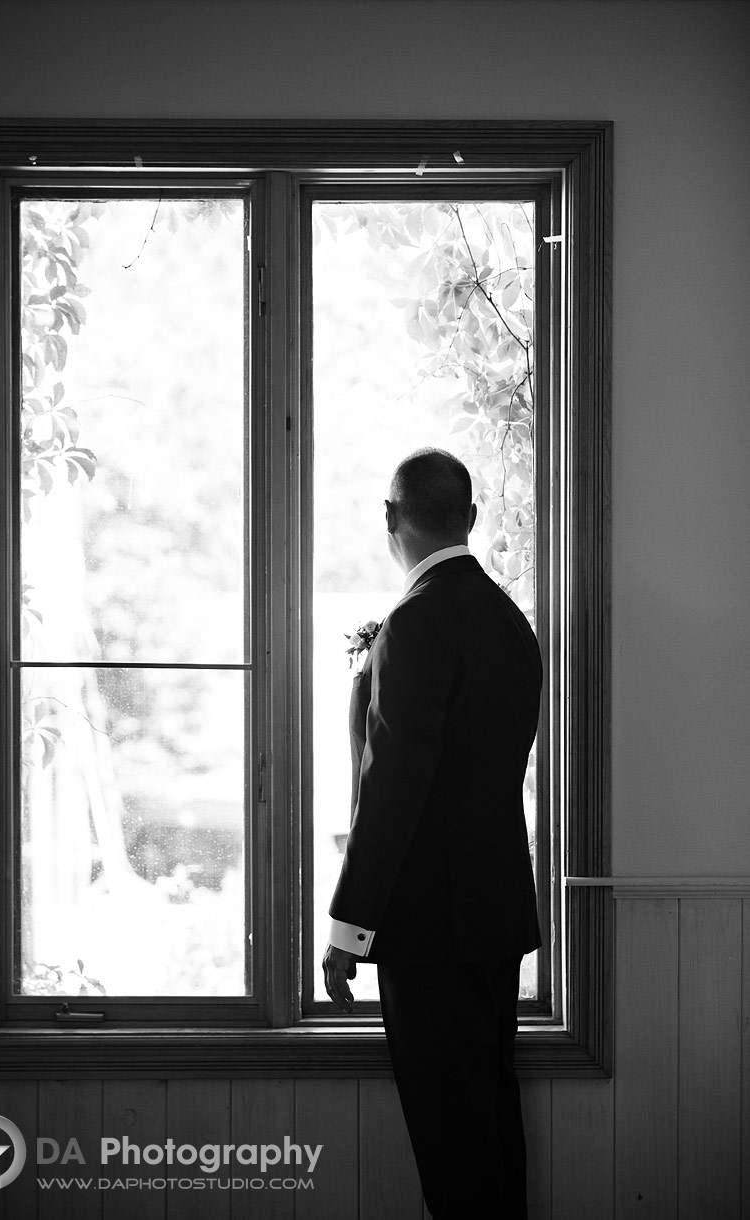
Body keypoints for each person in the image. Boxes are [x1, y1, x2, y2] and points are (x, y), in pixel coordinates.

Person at [322, 447, 542, 1220]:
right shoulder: (512, 624)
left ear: (390, 518)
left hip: (429, 927)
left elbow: (394, 789)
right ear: (470, 517)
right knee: (488, 1115)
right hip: (494, 915)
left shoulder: (413, 625)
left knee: (448, 1139)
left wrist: (349, 929)